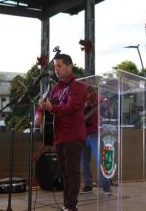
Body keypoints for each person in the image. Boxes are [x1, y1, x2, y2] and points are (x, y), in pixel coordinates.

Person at [34, 53, 87, 211]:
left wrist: (51, 108)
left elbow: (71, 108)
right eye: (54, 66)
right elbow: (42, 105)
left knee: (72, 172)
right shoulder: (55, 88)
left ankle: (71, 206)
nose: (55, 69)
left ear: (69, 67)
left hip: (73, 135)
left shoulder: (79, 87)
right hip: (59, 136)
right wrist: (39, 115)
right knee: (63, 172)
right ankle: (67, 205)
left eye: (59, 66)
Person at [80, 86, 111, 195]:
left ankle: (105, 185)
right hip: (81, 134)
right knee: (84, 162)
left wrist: (106, 105)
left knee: (100, 160)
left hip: (95, 134)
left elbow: (108, 113)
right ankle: (88, 185)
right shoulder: (79, 98)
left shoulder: (99, 98)